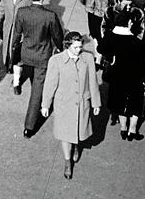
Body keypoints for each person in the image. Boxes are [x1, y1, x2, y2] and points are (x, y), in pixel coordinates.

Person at [41, 32, 101, 179]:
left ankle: (75, 146)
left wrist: (96, 103)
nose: (78, 50)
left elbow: (92, 81)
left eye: (80, 47)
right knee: (65, 135)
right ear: (67, 46)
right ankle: (67, 162)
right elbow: (50, 84)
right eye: (75, 47)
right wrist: (45, 105)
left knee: (79, 132)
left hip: (82, 102)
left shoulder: (87, 58)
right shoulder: (56, 61)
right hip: (64, 105)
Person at [11, 0, 64, 137]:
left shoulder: (22, 12)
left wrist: (14, 52)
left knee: (33, 79)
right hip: (43, 56)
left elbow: (16, 35)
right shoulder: (50, 15)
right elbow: (57, 36)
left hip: (26, 54)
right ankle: (29, 126)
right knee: (37, 90)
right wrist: (61, 48)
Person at [98, 5, 145, 141]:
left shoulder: (110, 37)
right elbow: (142, 59)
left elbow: (101, 48)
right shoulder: (135, 41)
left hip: (116, 74)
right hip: (134, 75)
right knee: (135, 102)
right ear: (129, 23)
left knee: (119, 100)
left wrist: (111, 56)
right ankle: (132, 131)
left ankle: (123, 128)